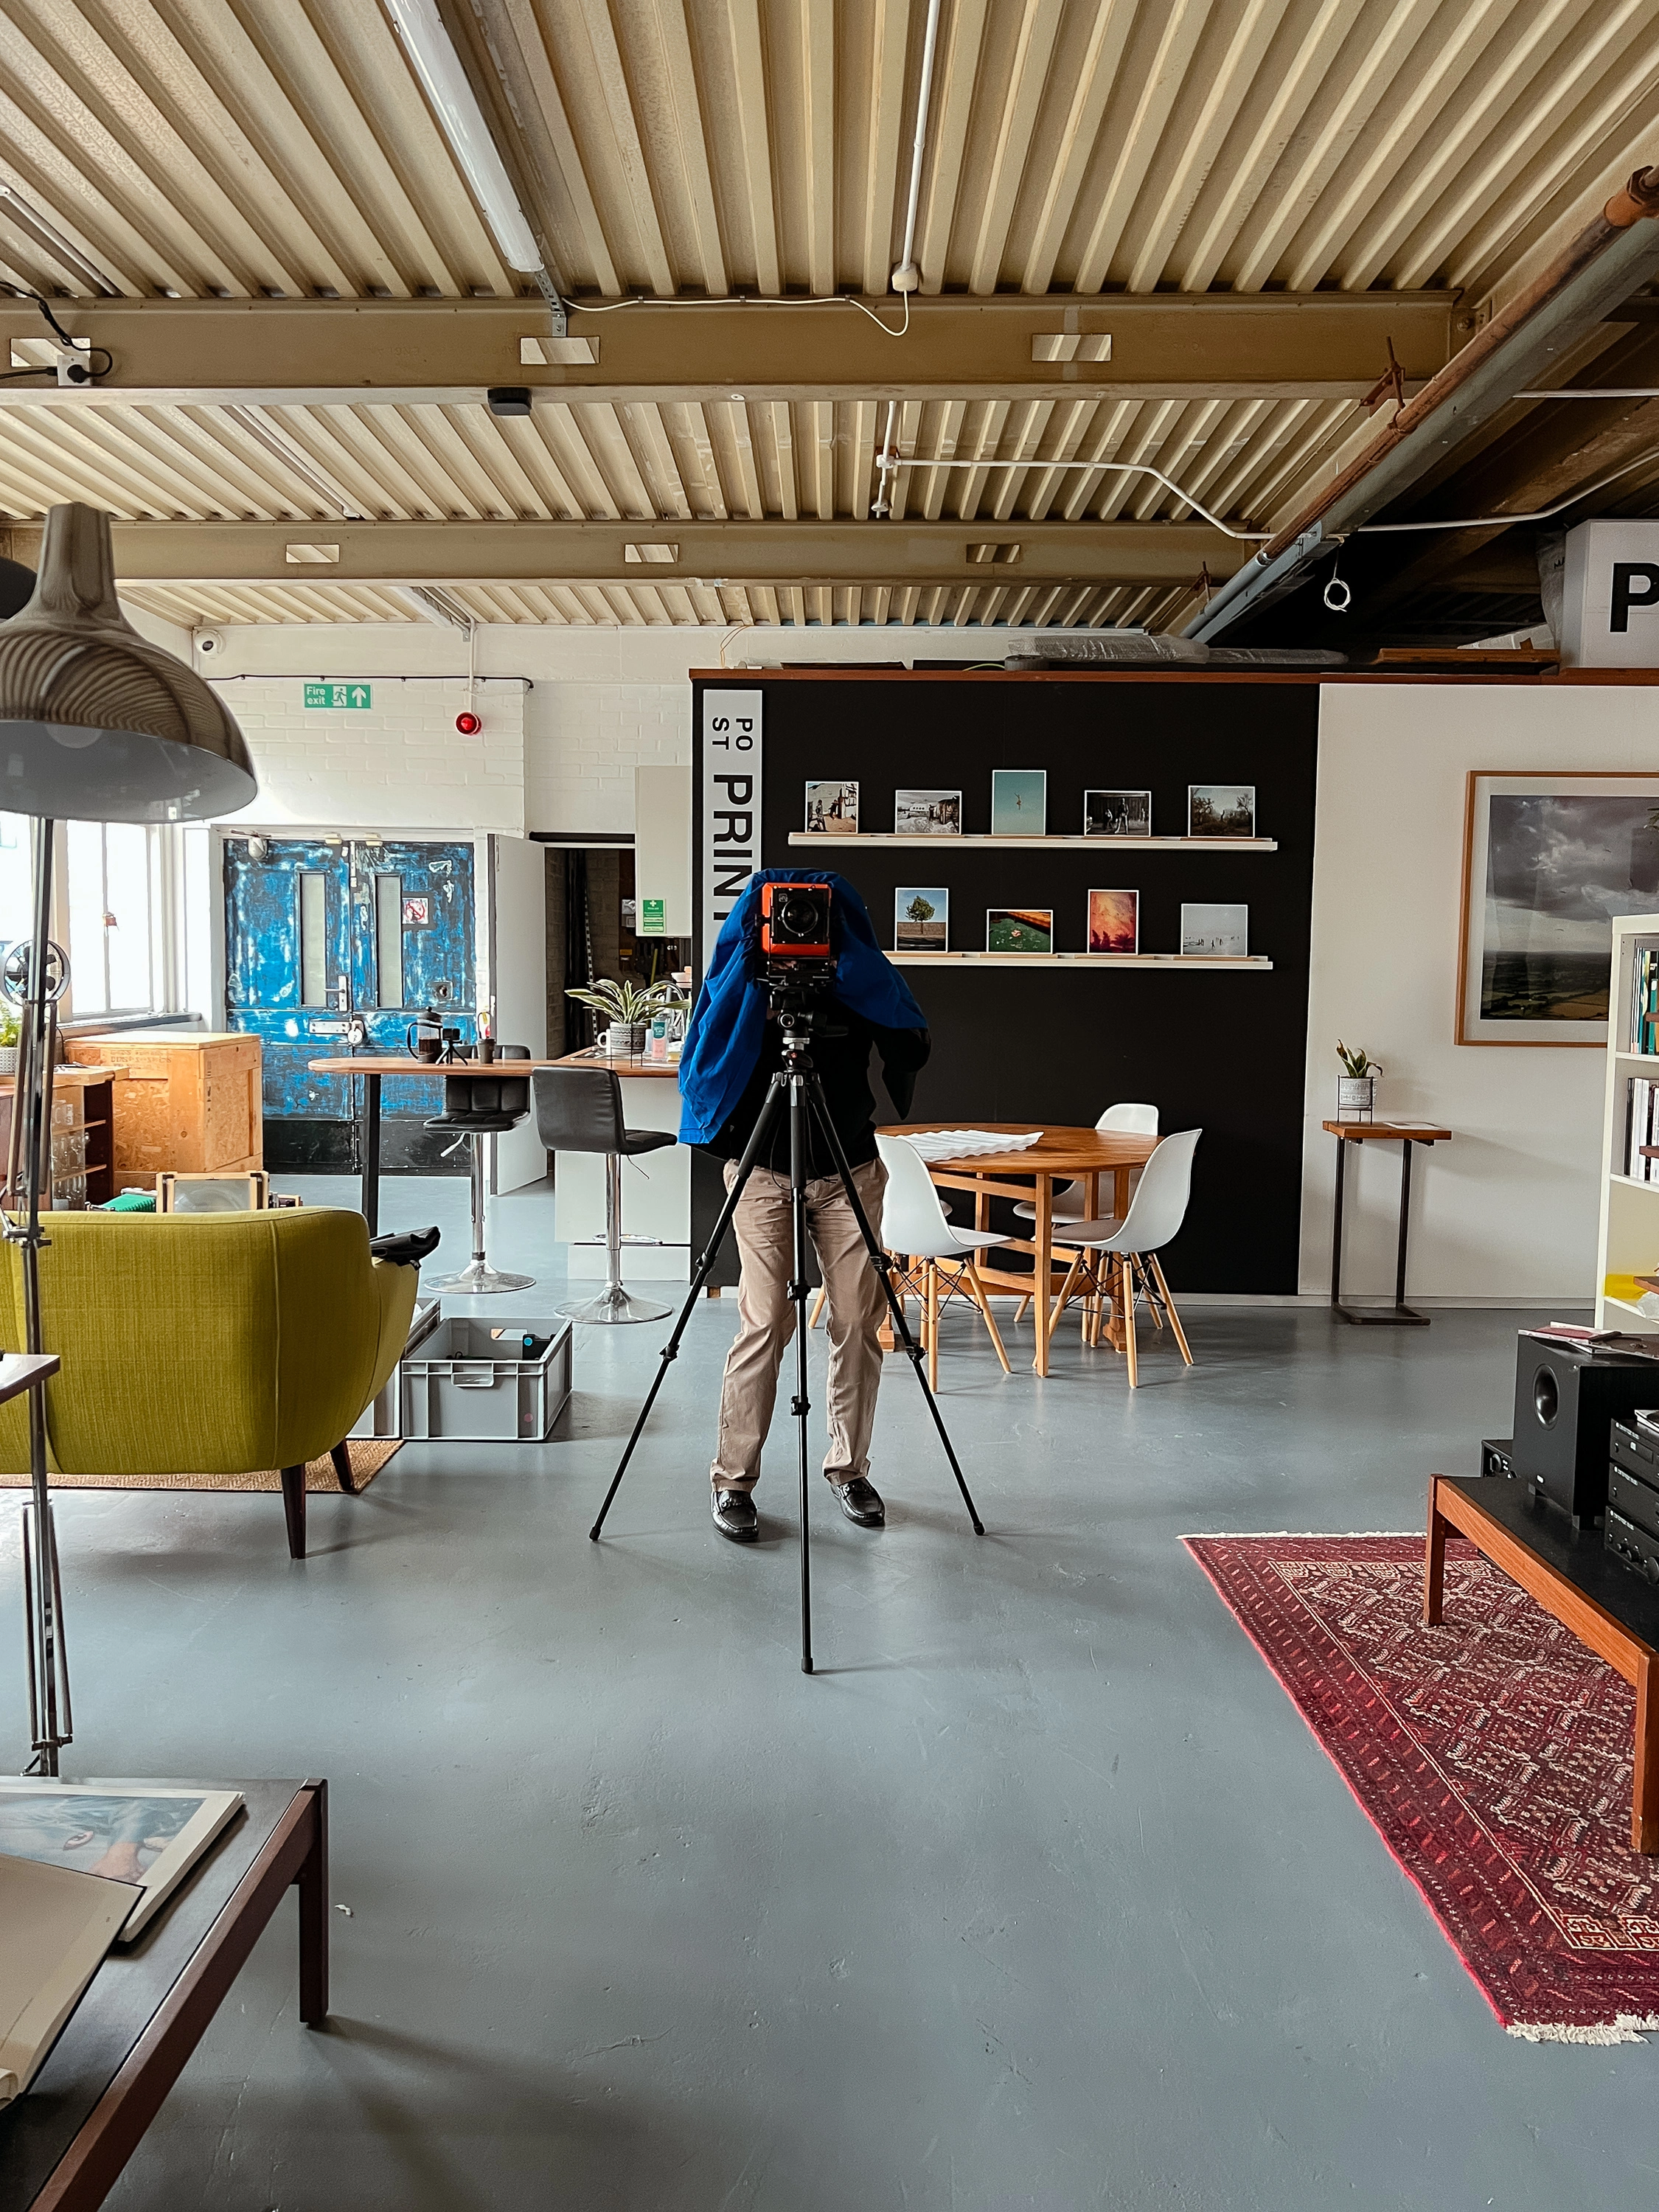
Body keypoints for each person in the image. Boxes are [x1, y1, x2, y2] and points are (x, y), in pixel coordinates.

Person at [678, 871, 929, 1543]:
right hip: (763, 1170)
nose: (798, 928)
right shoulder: (743, 982)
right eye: (785, 916)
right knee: (765, 1320)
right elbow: (702, 1063)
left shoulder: (854, 976)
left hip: (849, 1167)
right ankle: (733, 1481)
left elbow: (912, 1045)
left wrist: (859, 975)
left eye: (812, 916)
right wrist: (752, 991)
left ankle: (850, 1469)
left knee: (858, 1320)